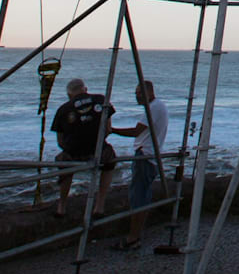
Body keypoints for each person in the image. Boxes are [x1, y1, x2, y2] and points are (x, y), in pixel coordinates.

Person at [110, 79, 169, 248]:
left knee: (138, 197)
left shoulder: (154, 107)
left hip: (145, 155)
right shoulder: (157, 106)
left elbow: (136, 131)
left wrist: (112, 130)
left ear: (150, 92)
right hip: (149, 154)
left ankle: (133, 238)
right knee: (142, 195)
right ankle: (136, 235)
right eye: (136, 93)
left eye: (140, 93)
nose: (137, 96)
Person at [48, 77, 116, 218]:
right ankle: (99, 205)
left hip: (74, 151)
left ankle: (62, 206)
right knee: (110, 159)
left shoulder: (63, 109)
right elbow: (108, 129)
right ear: (85, 89)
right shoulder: (100, 99)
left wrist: (71, 148)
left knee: (63, 163)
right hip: (97, 149)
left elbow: (60, 140)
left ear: (69, 94)